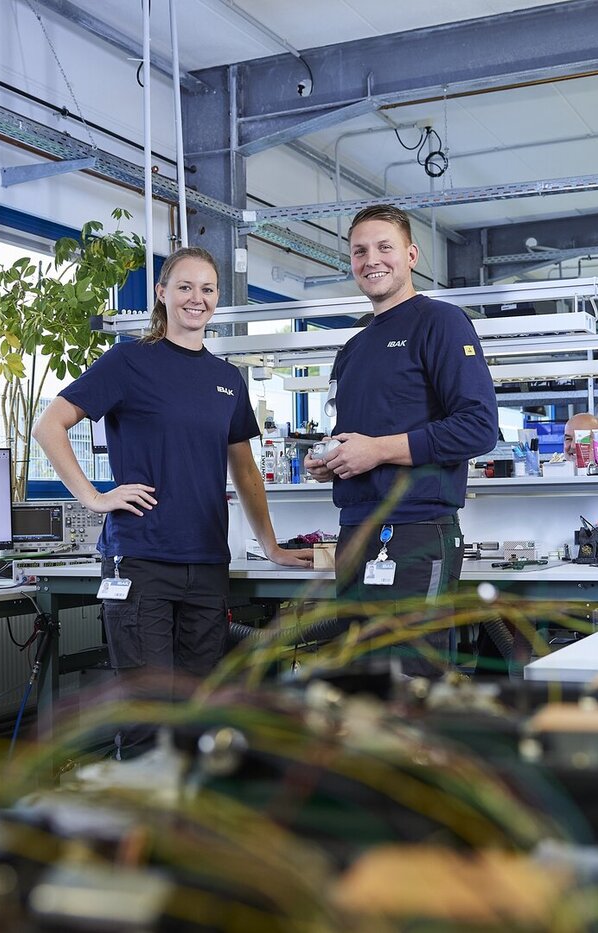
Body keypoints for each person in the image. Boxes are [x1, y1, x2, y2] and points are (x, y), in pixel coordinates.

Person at [33, 246, 310, 752]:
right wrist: (93, 498)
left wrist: (270, 545)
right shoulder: (129, 361)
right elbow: (49, 424)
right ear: (161, 293)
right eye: (184, 287)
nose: (195, 299)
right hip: (141, 563)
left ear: (217, 298)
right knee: (145, 717)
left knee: (197, 712)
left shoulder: (226, 379)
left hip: (205, 564)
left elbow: (244, 468)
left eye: (207, 289)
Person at [303, 204, 498, 670]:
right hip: (354, 534)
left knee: (414, 681)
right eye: (360, 251)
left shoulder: (441, 323)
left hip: (414, 535)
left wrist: (376, 451)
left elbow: (479, 425)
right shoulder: (352, 348)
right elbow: (357, 437)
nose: (372, 259)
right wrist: (331, 460)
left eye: (384, 247)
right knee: (362, 685)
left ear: (411, 255)